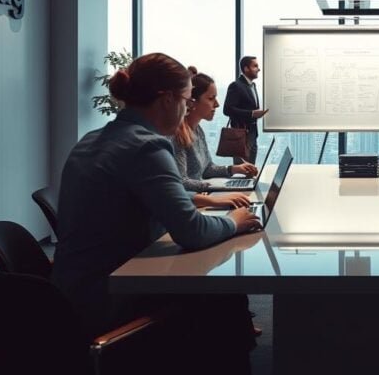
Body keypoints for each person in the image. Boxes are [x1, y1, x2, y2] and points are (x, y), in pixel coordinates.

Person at [50, 53, 261, 372]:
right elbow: (191, 232)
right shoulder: (147, 147)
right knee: (223, 297)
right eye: (186, 101)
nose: (187, 109)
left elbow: (162, 203)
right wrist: (234, 222)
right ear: (166, 100)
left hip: (71, 294)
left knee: (222, 298)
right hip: (109, 298)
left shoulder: (93, 139)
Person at [174, 73, 259, 184]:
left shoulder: (198, 130)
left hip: (202, 195)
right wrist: (211, 188)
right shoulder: (177, 136)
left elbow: (207, 169)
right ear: (192, 102)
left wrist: (234, 169)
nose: (217, 104)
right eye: (211, 98)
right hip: (195, 199)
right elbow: (181, 182)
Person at [223, 55, 268, 163]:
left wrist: (255, 113)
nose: (259, 69)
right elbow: (227, 109)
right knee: (243, 171)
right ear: (246, 68)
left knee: (251, 171)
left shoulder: (252, 86)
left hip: (252, 134)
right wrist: (251, 113)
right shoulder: (236, 86)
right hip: (241, 136)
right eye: (255, 66)